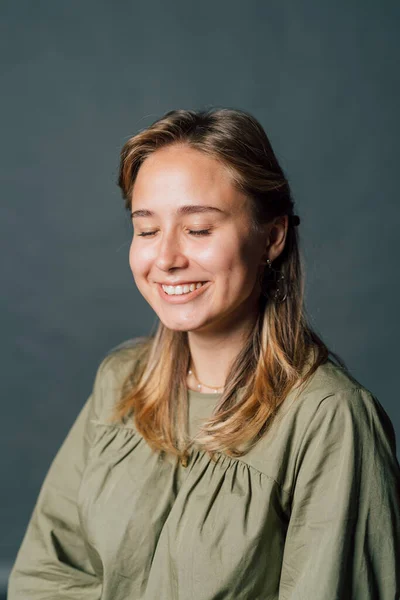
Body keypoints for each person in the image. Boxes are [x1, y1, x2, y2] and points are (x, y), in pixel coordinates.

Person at [8, 107, 400, 599]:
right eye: (147, 229)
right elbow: (45, 577)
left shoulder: (329, 420)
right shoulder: (120, 383)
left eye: (198, 229)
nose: (167, 258)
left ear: (272, 237)